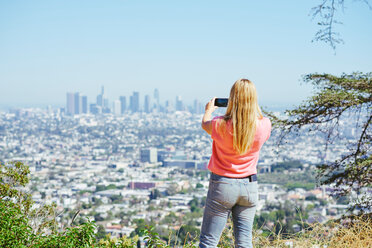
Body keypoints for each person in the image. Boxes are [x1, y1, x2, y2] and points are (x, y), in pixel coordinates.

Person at [199, 79, 271, 248]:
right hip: (249, 186)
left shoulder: (220, 124)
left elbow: (204, 124)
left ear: (232, 99)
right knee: (244, 241)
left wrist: (208, 111)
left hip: (222, 186)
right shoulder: (264, 124)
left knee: (209, 241)